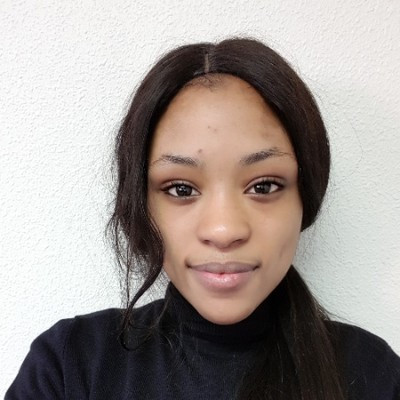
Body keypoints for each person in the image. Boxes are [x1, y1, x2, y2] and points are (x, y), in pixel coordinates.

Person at [6, 38, 400, 400]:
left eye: (264, 186)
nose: (224, 230)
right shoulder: (69, 367)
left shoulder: (373, 375)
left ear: (305, 198)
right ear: (141, 206)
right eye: (181, 189)